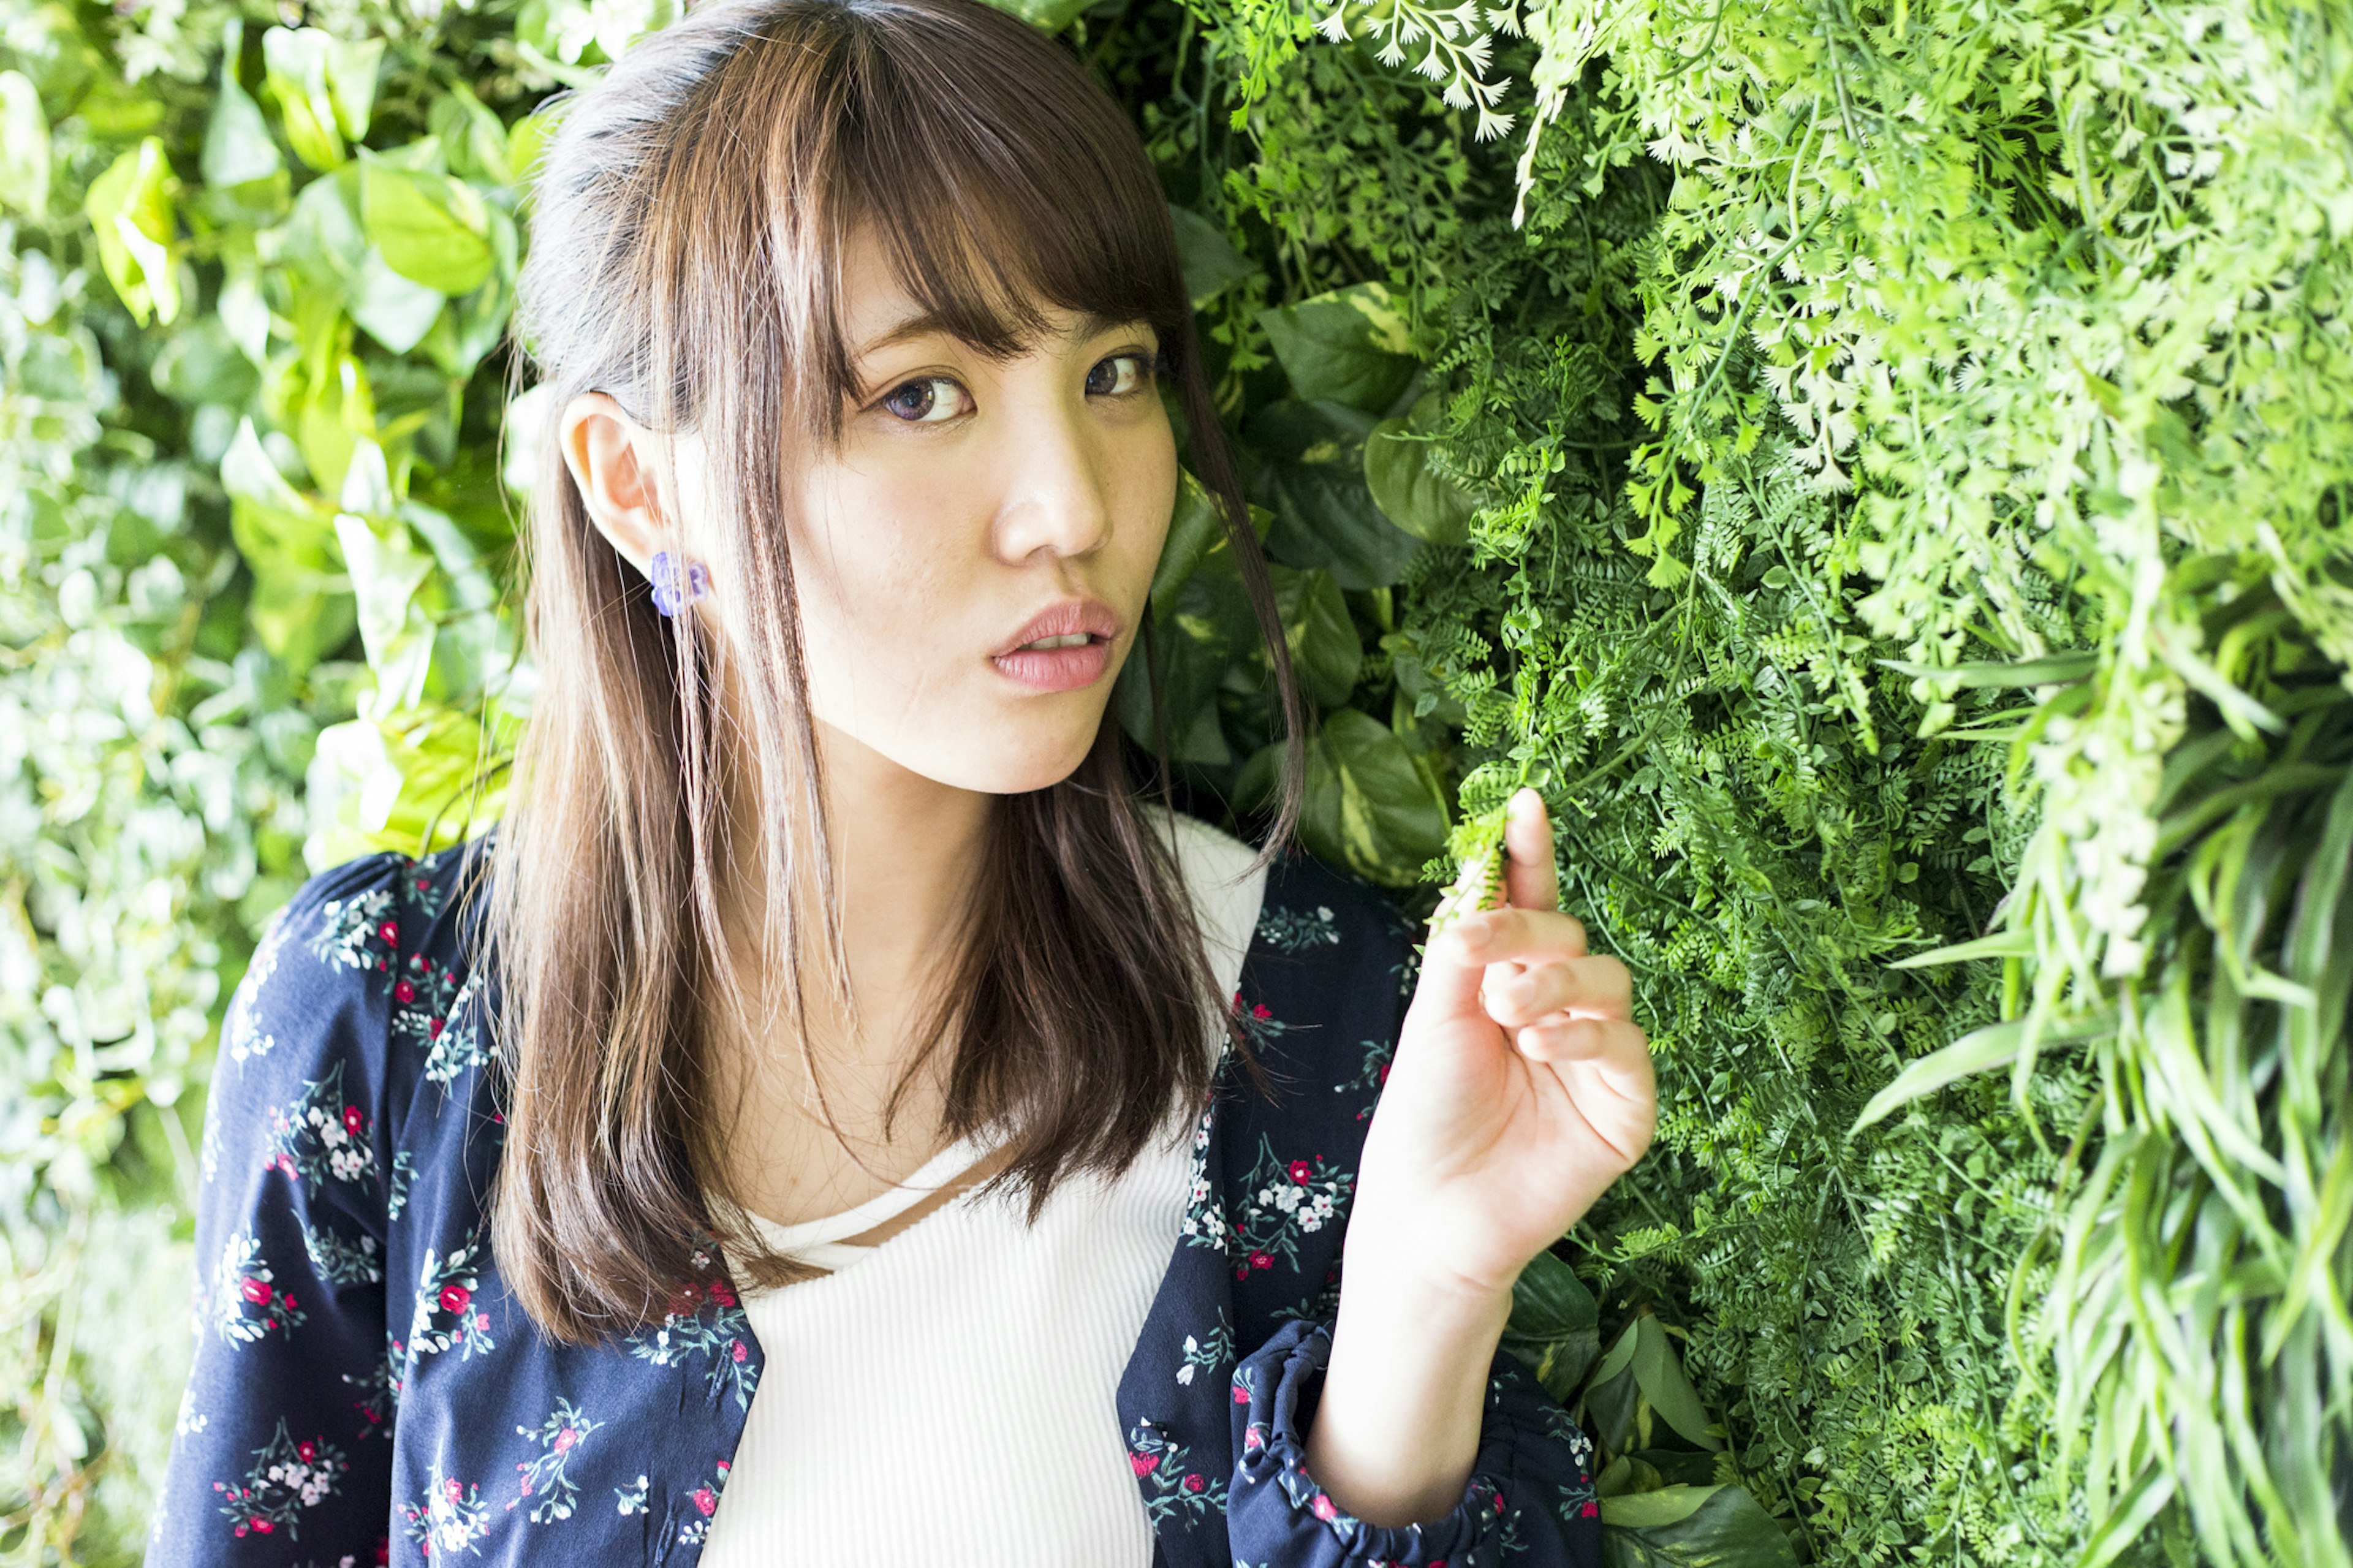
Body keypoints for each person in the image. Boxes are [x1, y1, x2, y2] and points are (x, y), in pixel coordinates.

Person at [151, 0, 1658, 1560]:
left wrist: (1427, 1294)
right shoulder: (394, 1027)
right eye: (921, 393)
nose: (1070, 503)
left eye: (1117, 370)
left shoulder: (1313, 1020)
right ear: (639, 484)